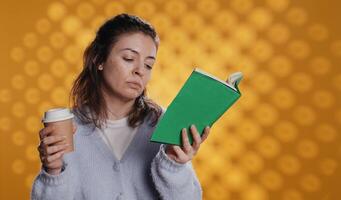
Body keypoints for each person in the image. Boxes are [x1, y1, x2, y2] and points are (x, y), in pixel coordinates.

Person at [31, 13, 210, 200]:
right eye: (128, 58)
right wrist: (53, 172)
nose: (140, 70)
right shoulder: (67, 128)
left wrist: (174, 165)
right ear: (99, 59)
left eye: (149, 65)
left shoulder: (164, 122)